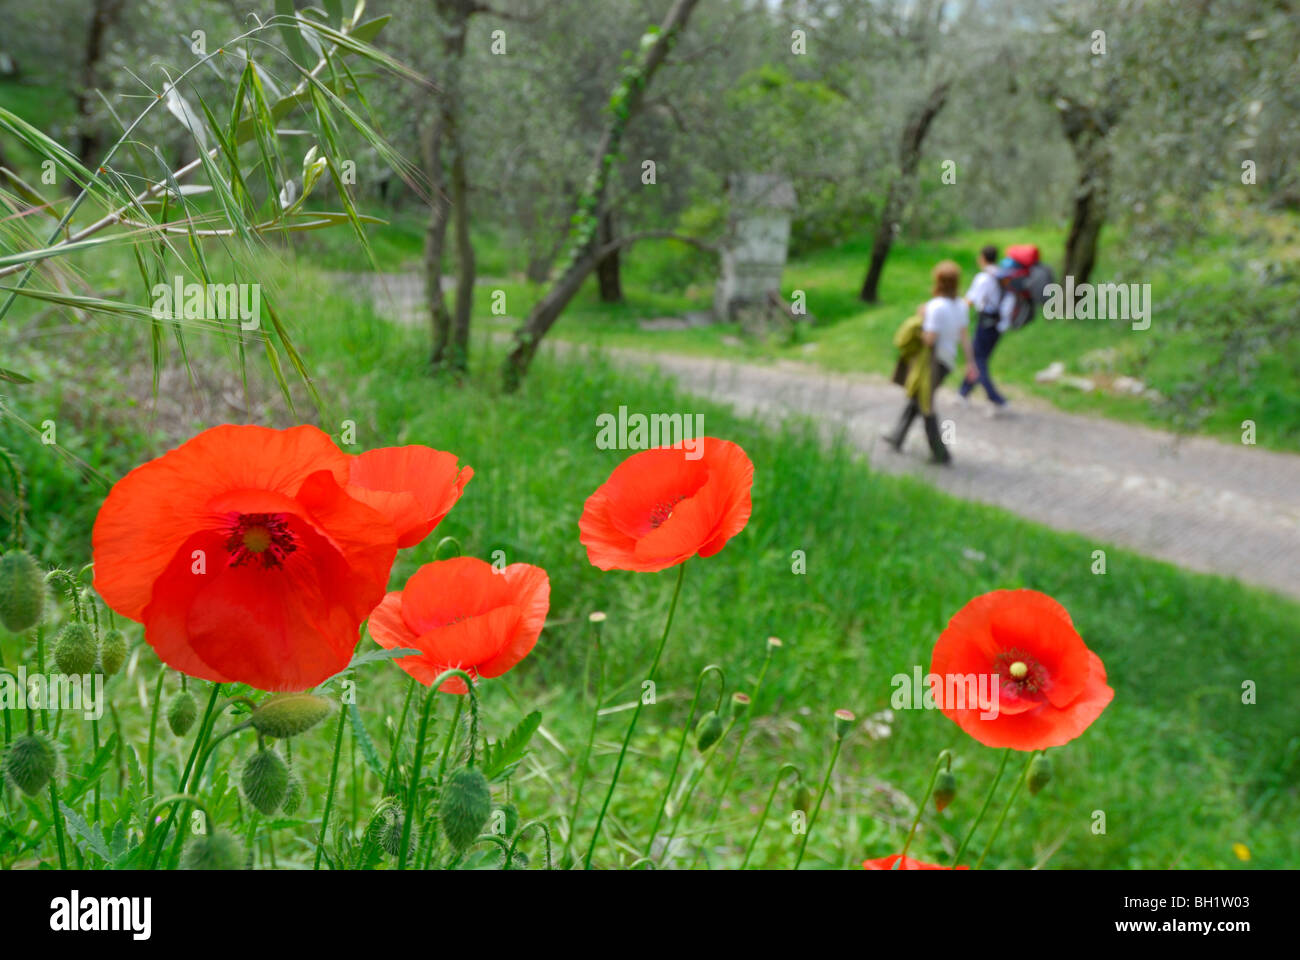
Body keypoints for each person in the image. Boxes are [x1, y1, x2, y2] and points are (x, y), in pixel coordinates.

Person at [882, 260, 977, 464]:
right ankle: (897, 436)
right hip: (948, 361)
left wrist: (919, 319)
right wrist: (971, 363)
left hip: (933, 362)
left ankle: (940, 454)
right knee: (917, 399)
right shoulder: (961, 305)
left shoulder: (935, 307)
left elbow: (929, 339)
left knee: (925, 404)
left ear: (938, 282)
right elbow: (964, 336)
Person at [958, 244, 1009, 414]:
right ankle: (963, 392)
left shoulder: (984, 277)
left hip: (986, 323)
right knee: (980, 358)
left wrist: (956, 312)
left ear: (982, 257)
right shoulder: (1002, 275)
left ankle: (996, 399)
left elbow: (971, 300)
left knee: (978, 360)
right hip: (999, 324)